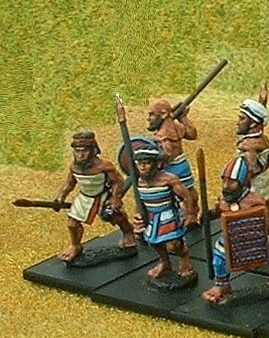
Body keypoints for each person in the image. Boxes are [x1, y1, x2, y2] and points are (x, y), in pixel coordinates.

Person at [201, 156, 269, 304]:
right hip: (230, 238)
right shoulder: (223, 200)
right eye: (224, 180)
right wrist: (207, 214)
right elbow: (216, 212)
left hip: (254, 237)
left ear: (242, 182)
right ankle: (222, 286)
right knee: (218, 260)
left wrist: (264, 226)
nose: (226, 186)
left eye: (231, 182)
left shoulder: (255, 201)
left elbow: (265, 221)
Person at [53, 130, 137, 262]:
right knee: (72, 224)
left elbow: (117, 182)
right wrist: (60, 197)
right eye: (77, 151)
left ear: (93, 150)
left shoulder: (104, 166)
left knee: (115, 215)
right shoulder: (74, 167)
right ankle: (75, 246)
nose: (80, 155)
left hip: (103, 195)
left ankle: (128, 233)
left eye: (84, 151)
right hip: (85, 197)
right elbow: (69, 184)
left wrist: (115, 198)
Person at [131, 138, 197, 280]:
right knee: (154, 241)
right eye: (139, 163)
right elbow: (140, 201)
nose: (143, 167)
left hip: (168, 215)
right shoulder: (139, 181)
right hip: (151, 216)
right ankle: (164, 262)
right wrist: (138, 216)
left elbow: (187, 196)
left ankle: (185, 260)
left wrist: (191, 214)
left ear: (156, 163)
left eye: (147, 163)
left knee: (174, 244)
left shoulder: (169, 179)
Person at [147, 96, 200, 216]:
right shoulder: (176, 127)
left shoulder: (164, 135)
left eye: (152, 114)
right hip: (180, 165)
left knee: (185, 195)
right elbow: (191, 134)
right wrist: (183, 118)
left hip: (173, 169)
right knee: (188, 194)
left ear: (164, 114)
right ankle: (190, 215)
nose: (148, 118)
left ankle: (191, 216)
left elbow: (167, 153)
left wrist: (149, 157)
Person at [236, 87, 269, 208]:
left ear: (253, 124)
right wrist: (262, 103)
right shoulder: (260, 137)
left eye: (242, 119)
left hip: (253, 190)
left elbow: (250, 171)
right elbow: (259, 120)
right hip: (263, 185)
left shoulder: (249, 146)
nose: (238, 122)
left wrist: (235, 189)